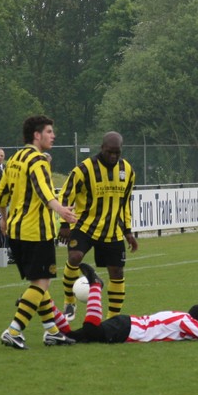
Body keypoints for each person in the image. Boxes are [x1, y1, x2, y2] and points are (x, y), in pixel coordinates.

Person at [0, 115, 78, 350]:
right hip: (36, 232)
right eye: (49, 132)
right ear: (36, 135)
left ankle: (52, 331)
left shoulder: (14, 159)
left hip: (16, 231)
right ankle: (14, 330)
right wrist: (62, 210)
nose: (53, 136)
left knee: (39, 282)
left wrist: (4, 219)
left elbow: (0, 195)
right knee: (41, 283)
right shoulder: (38, 161)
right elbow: (44, 192)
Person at [59, 265, 198, 343]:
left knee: (74, 338)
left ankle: (49, 312)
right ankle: (95, 285)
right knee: (91, 330)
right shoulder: (185, 322)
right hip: (127, 329)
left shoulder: (180, 318)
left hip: (127, 324)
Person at [58, 131, 138, 321]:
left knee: (117, 272)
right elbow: (66, 194)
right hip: (84, 226)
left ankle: (113, 319)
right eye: (110, 151)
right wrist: (64, 223)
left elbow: (125, 203)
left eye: (117, 152)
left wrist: (128, 231)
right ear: (102, 148)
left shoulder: (127, 171)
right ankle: (69, 301)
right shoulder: (84, 169)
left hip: (112, 231)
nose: (113, 156)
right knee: (75, 257)